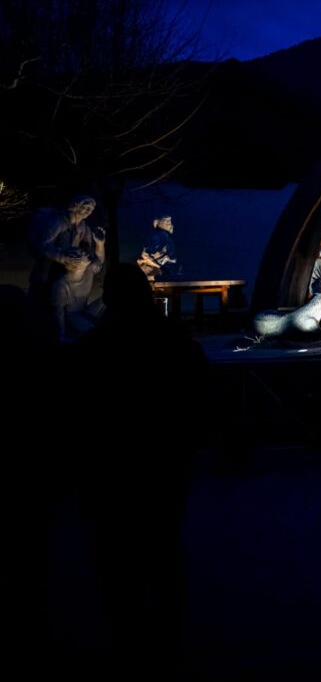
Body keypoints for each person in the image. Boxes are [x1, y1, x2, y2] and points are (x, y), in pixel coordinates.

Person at [73, 263, 209, 672]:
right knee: (164, 556)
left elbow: (77, 416)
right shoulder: (176, 343)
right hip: (164, 468)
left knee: (119, 568)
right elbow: (200, 398)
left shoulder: (94, 350)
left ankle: (128, 645)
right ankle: (168, 643)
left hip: (113, 476)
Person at [28, 195, 102, 326]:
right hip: (48, 266)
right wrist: (63, 258)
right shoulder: (58, 222)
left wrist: (86, 254)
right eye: (86, 207)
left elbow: (87, 246)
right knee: (43, 296)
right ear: (76, 206)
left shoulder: (83, 227)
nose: (88, 211)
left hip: (69, 268)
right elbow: (42, 245)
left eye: (91, 209)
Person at [137, 215, 179, 280]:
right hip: (155, 272)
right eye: (167, 222)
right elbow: (145, 255)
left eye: (170, 222)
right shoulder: (159, 237)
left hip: (165, 271)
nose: (170, 225)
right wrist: (159, 266)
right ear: (158, 223)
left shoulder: (166, 237)